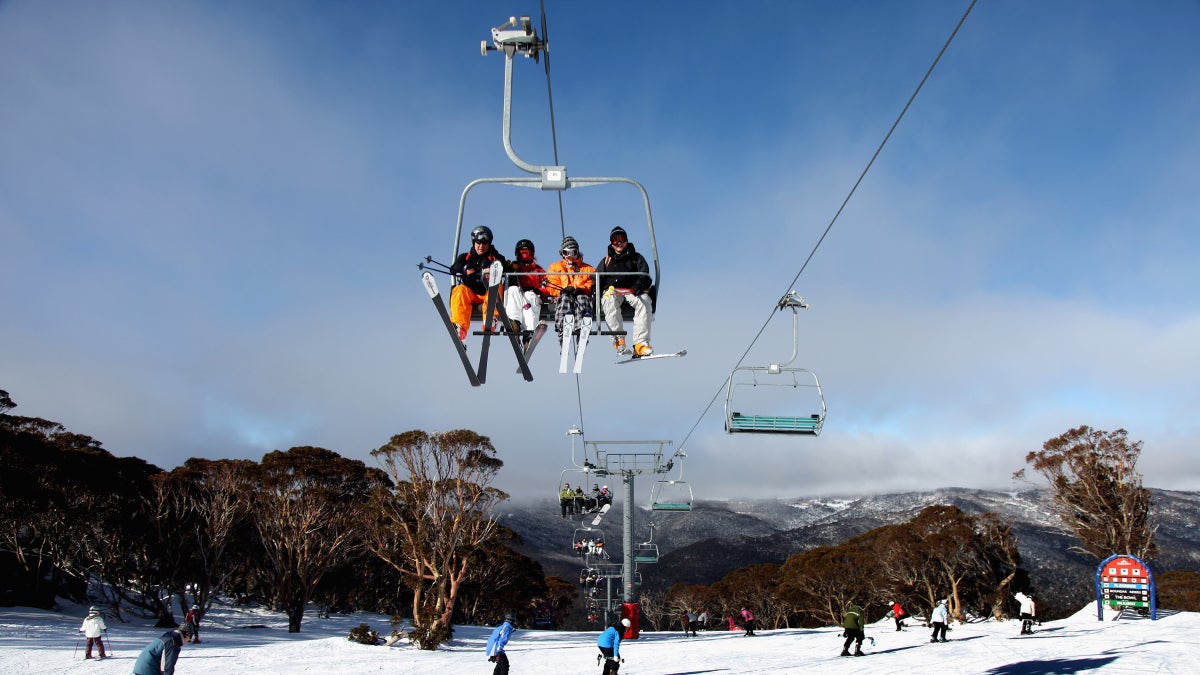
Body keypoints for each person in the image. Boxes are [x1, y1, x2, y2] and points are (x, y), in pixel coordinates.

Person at [595, 226, 653, 356]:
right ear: (611, 243)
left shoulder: (635, 257)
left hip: (631, 289)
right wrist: (596, 293)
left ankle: (640, 343)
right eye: (615, 240)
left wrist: (639, 285)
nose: (619, 243)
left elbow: (645, 274)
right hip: (613, 289)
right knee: (609, 301)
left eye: (621, 239)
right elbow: (596, 279)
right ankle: (618, 339)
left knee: (644, 301)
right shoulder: (606, 261)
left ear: (626, 240)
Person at [449, 225, 508, 343]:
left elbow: (505, 267)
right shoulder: (465, 257)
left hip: (487, 293)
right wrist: (465, 269)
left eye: (484, 243)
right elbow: (454, 268)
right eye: (478, 242)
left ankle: (490, 319)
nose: (481, 246)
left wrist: (492, 271)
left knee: (497, 287)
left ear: (489, 243)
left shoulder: (495, 257)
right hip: (471, 293)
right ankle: (460, 328)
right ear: (473, 242)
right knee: (459, 290)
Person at [545, 236, 596, 346]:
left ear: (577, 252)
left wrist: (582, 289)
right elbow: (550, 285)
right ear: (562, 254)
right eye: (566, 252)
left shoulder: (588, 269)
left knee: (582, 299)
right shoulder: (555, 267)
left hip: (581, 297)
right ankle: (563, 329)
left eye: (573, 252)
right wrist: (561, 291)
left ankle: (582, 330)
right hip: (562, 297)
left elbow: (591, 283)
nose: (570, 256)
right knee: (565, 298)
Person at [503, 239, 548, 342]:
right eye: (521, 252)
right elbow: (506, 282)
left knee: (530, 295)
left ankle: (529, 333)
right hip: (518, 297)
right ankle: (514, 324)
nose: (524, 255)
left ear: (531, 253)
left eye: (526, 252)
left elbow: (547, 287)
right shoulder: (514, 267)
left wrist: (538, 290)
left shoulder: (538, 270)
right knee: (513, 289)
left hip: (533, 297)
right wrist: (510, 269)